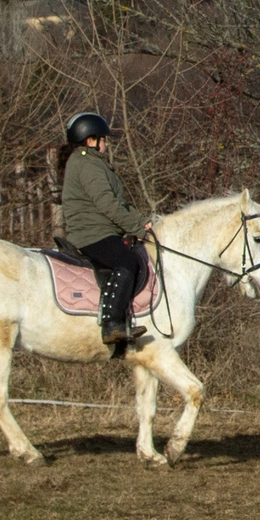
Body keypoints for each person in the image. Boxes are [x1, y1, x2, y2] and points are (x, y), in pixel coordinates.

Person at [57, 112, 153, 345]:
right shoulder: (86, 163)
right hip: (91, 235)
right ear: (91, 140)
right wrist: (138, 229)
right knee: (128, 263)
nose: (106, 144)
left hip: (100, 230)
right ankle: (112, 325)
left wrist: (142, 222)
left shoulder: (91, 162)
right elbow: (107, 204)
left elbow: (118, 203)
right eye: (103, 139)